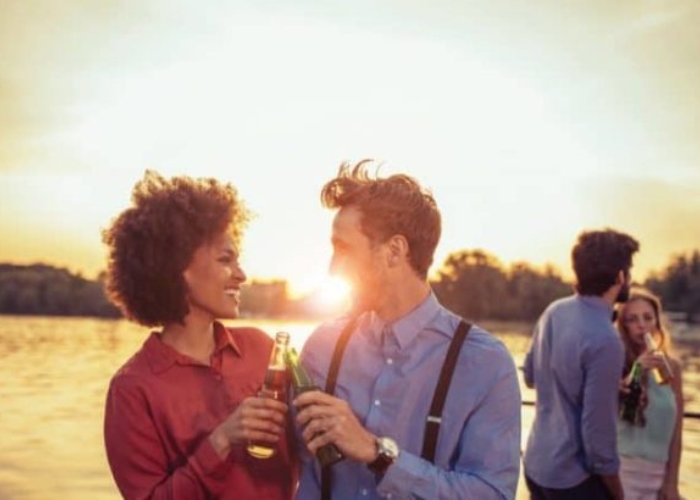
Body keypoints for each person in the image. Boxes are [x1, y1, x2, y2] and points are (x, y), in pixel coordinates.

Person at [292, 160, 522, 499]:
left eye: (343, 249)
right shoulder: (321, 347)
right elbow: (292, 460)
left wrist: (378, 454)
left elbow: (492, 494)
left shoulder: (485, 363)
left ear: (394, 251)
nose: (331, 267)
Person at [101, 170, 297, 499]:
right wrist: (220, 441)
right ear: (178, 268)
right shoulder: (132, 389)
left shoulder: (262, 350)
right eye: (226, 259)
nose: (242, 275)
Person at [523, 228, 640, 500]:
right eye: (629, 270)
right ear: (620, 276)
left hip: (537, 467)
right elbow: (597, 436)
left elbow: (530, 376)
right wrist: (617, 492)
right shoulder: (607, 339)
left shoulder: (554, 311)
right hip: (575, 480)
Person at [615, 288, 683, 500]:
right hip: (622, 474)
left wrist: (671, 483)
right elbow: (620, 412)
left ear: (657, 323)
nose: (642, 325)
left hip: (659, 475)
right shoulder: (614, 362)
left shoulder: (672, 368)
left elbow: (677, 432)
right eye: (632, 319)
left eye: (647, 318)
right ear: (622, 326)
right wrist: (637, 370)